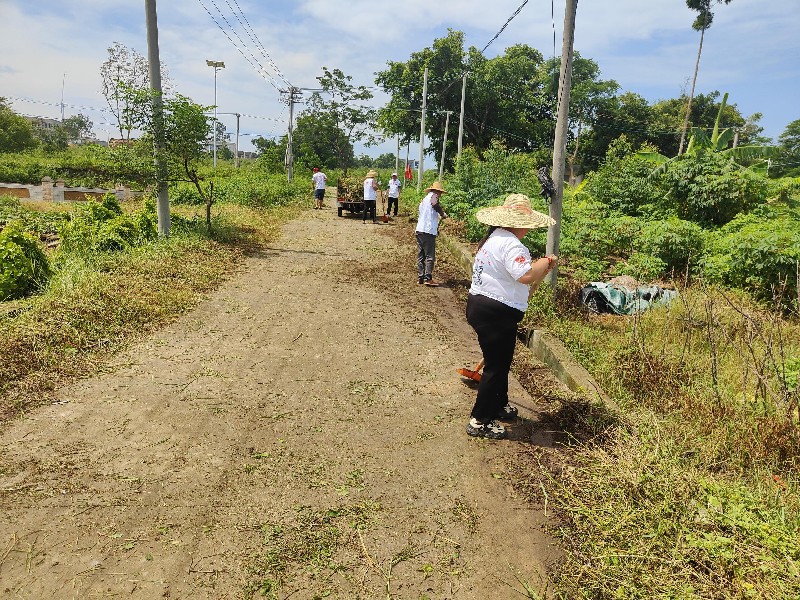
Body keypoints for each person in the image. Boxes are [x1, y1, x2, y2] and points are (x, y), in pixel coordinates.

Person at [465, 193, 557, 439]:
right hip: (496, 312)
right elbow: (525, 275)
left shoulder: (494, 237)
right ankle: (480, 420)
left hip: (481, 307)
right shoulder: (512, 244)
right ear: (519, 223)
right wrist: (546, 261)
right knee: (496, 366)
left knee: (501, 361)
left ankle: (498, 403)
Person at [415, 181, 448, 286]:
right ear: (437, 191)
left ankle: (421, 277)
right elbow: (434, 204)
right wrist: (442, 213)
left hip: (419, 229)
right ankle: (428, 278)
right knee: (430, 255)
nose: (440, 195)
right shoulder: (434, 196)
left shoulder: (424, 200)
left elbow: (423, 212)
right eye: (440, 193)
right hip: (428, 230)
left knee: (421, 255)